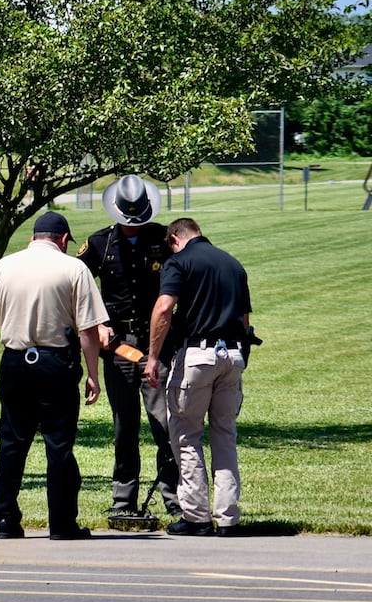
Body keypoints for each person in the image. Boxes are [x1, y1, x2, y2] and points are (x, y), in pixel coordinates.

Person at [0, 211, 107, 540]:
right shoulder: (74, 268)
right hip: (55, 363)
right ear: (63, 240)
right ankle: (61, 523)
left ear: (33, 237)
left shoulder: (4, 265)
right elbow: (89, 330)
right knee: (59, 446)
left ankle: (6, 519)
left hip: (16, 361)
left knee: (12, 443)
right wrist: (93, 374)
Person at [77, 175, 180, 519]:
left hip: (157, 346)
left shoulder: (164, 240)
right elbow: (76, 287)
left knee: (163, 422)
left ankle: (174, 496)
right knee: (125, 425)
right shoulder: (99, 244)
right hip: (118, 348)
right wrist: (96, 324)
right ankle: (124, 500)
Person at [145, 218, 252, 537]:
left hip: (198, 355)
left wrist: (152, 357)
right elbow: (245, 320)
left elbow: (164, 308)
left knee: (186, 434)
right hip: (232, 355)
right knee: (224, 434)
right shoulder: (233, 263)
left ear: (175, 238)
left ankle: (196, 516)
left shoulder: (179, 262)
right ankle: (228, 517)